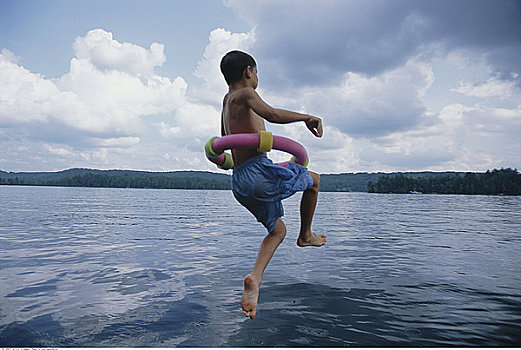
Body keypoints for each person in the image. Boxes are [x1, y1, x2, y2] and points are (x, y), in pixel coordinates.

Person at [220, 50, 326, 319]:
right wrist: (306, 117)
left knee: (277, 231)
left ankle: (255, 279)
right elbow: (273, 114)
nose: (256, 77)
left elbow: (226, 141)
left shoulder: (226, 101)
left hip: (240, 180)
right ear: (248, 72)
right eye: (256, 72)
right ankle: (307, 235)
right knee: (314, 181)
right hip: (258, 172)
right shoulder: (245, 93)